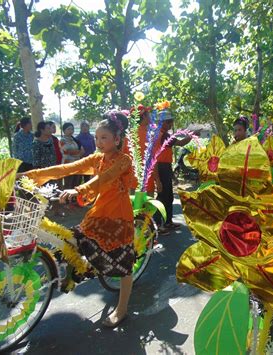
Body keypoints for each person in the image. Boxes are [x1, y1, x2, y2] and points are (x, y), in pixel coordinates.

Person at [22, 111, 135, 328]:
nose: (99, 142)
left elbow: (105, 178)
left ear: (117, 139)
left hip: (118, 218)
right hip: (98, 213)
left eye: (104, 138)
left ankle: (121, 310)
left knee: (124, 266)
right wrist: (31, 175)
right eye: (97, 138)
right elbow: (67, 168)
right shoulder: (96, 158)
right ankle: (80, 269)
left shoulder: (124, 160)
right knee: (73, 241)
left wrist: (79, 189)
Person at [154, 113, 191, 235]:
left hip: (166, 167)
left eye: (171, 122)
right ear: (162, 122)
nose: (171, 124)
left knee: (168, 196)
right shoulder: (161, 135)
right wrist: (192, 135)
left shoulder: (164, 134)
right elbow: (181, 143)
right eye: (168, 122)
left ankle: (168, 221)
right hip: (161, 167)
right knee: (162, 196)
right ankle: (158, 224)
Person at [60, 122, 84, 189]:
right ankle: (67, 199)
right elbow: (67, 151)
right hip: (68, 164)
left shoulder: (75, 140)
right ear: (64, 130)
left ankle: (74, 198)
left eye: (72, 129)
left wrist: (76, 153)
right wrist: (77, 152)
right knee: (68, 183)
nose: (71, 131)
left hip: (77, 164)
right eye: (68, 129)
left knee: (76, 183)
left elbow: (82, 151)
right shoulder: (62, 140)